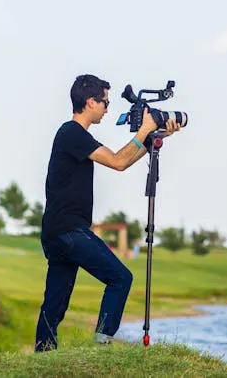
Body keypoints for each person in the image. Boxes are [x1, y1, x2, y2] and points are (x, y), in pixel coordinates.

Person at [34, 74, 181, 352]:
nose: (107, 108)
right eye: (105, 102)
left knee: (56, 301)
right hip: (68, 231)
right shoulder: (71, 133)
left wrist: (153, 138)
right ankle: (101, 345)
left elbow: (122, 161)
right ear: (90, 101)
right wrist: (143, 131)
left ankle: (42, 354)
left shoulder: (74, 136)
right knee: (120, 278)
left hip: (57, 231)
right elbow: (117, 161)